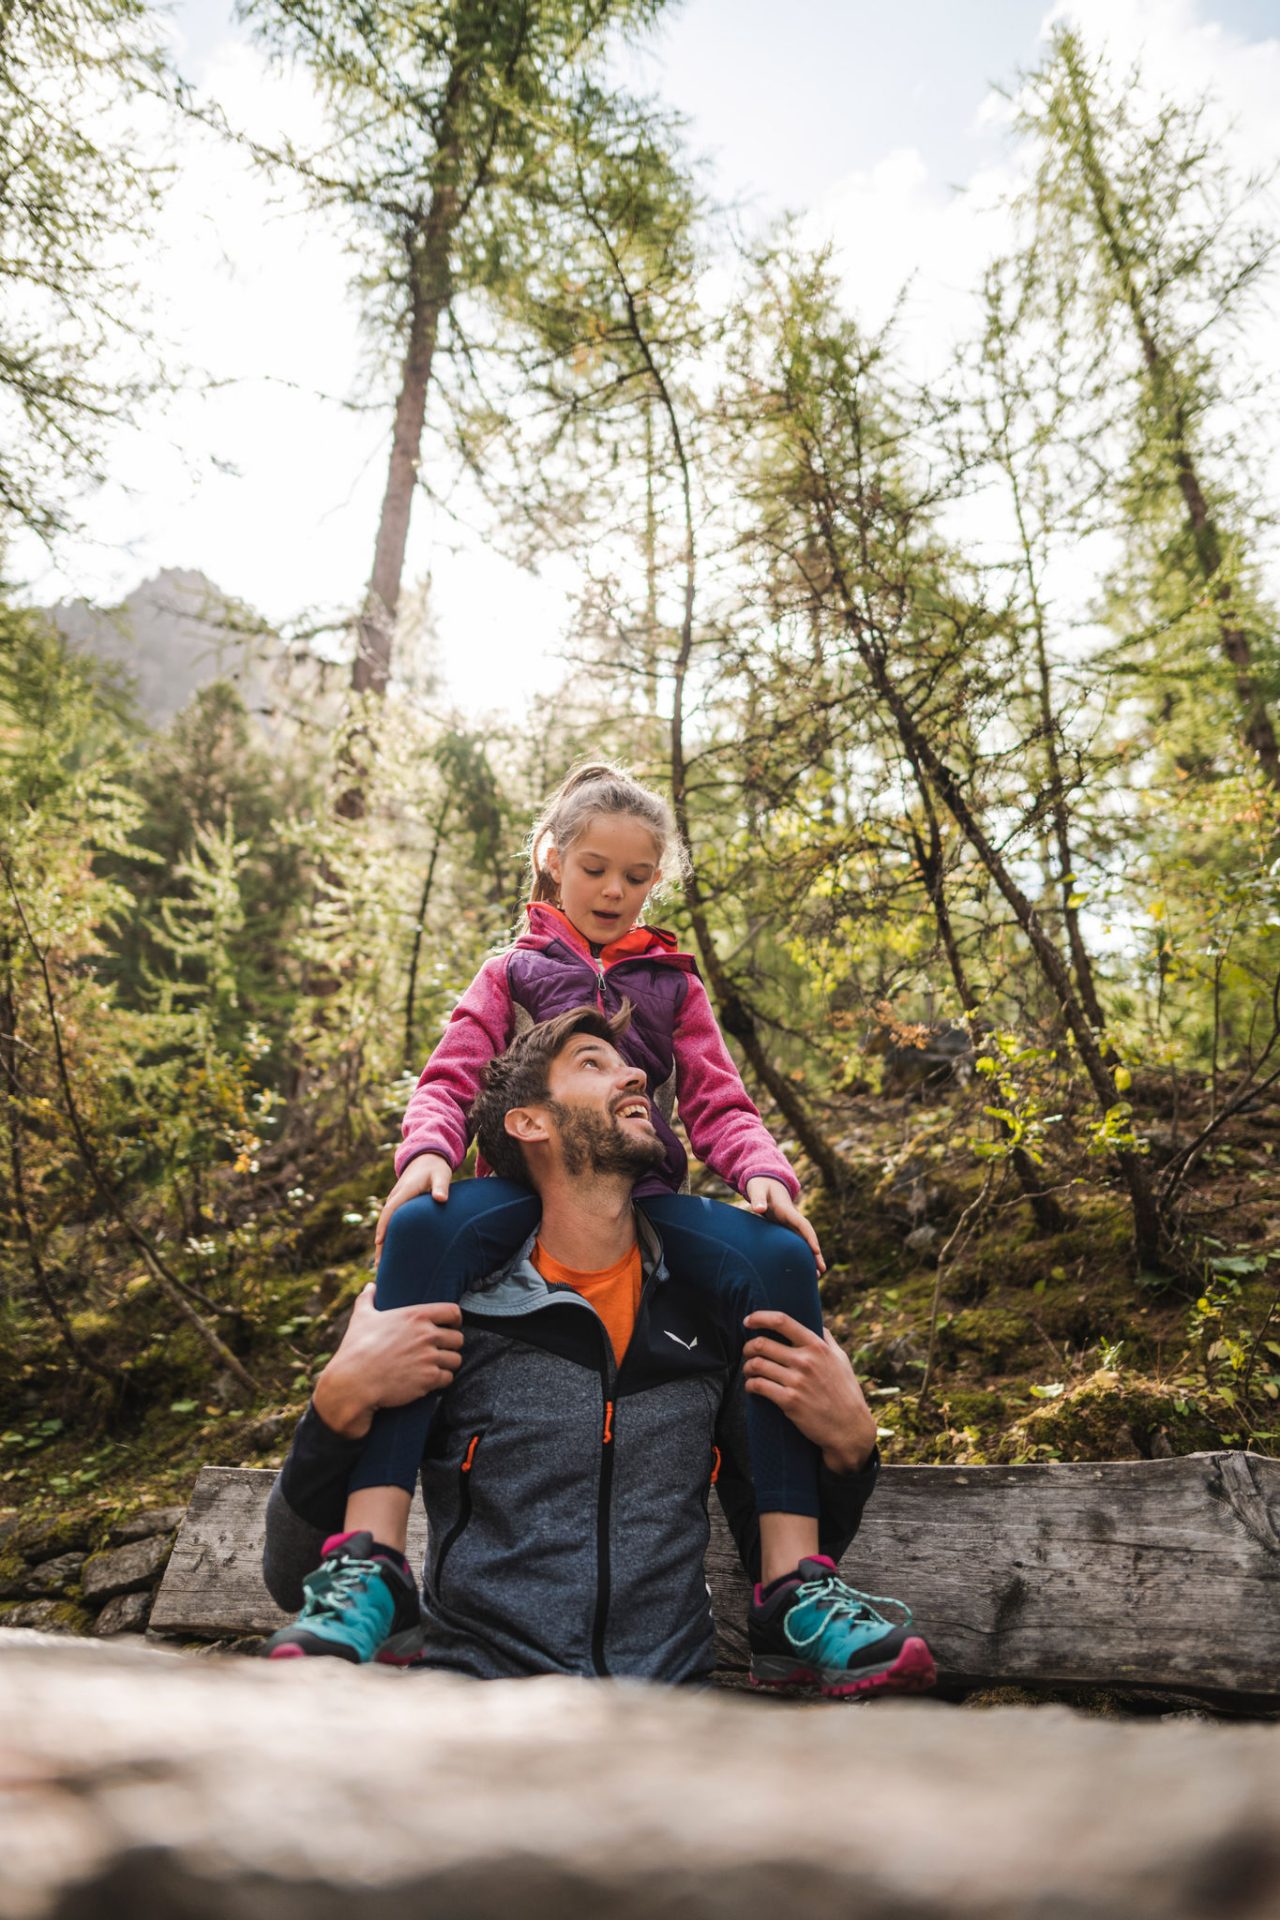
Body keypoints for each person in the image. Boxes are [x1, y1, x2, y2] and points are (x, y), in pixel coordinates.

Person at [264, 759, 905, 1681]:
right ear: (552, 860)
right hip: (514, 1197)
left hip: (646, 1208)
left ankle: (791, 1588)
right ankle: (371, 1562)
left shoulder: (673, 985)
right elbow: (451, 1075)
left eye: (638, 876)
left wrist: (765, 1177)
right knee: (417, 1230)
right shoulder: (515, 970)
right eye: (595, 868)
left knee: (774, 1248)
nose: (615, 890)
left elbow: (721, 1102)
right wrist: (429, 1156)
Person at [262, 1005, 935, 1693]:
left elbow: (776, 1563)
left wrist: (852, 1447)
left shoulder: (710, 1321)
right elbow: (289, 1579)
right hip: (473, 1707)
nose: (637, 1073)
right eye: (594, 1062)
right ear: (531, 1122)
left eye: (627, 1062)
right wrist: (335, 1405)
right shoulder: (454, 1316)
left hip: (670, 1719)